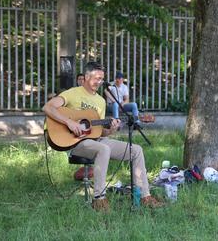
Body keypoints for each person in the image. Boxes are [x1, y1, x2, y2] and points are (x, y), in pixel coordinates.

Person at [43, 62, 163, 211]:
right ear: (87, 77)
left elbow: (98, 131)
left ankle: (145, 196)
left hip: (96, 140)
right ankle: (99, 199)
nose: (100, 82)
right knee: (103, 149)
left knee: (136, 150)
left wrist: (112, 129)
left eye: (102, 79)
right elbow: (48, 107)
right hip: (75, 142)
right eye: (97, 78)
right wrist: (69, 122)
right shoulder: (72, 93)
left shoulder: (100, 101)